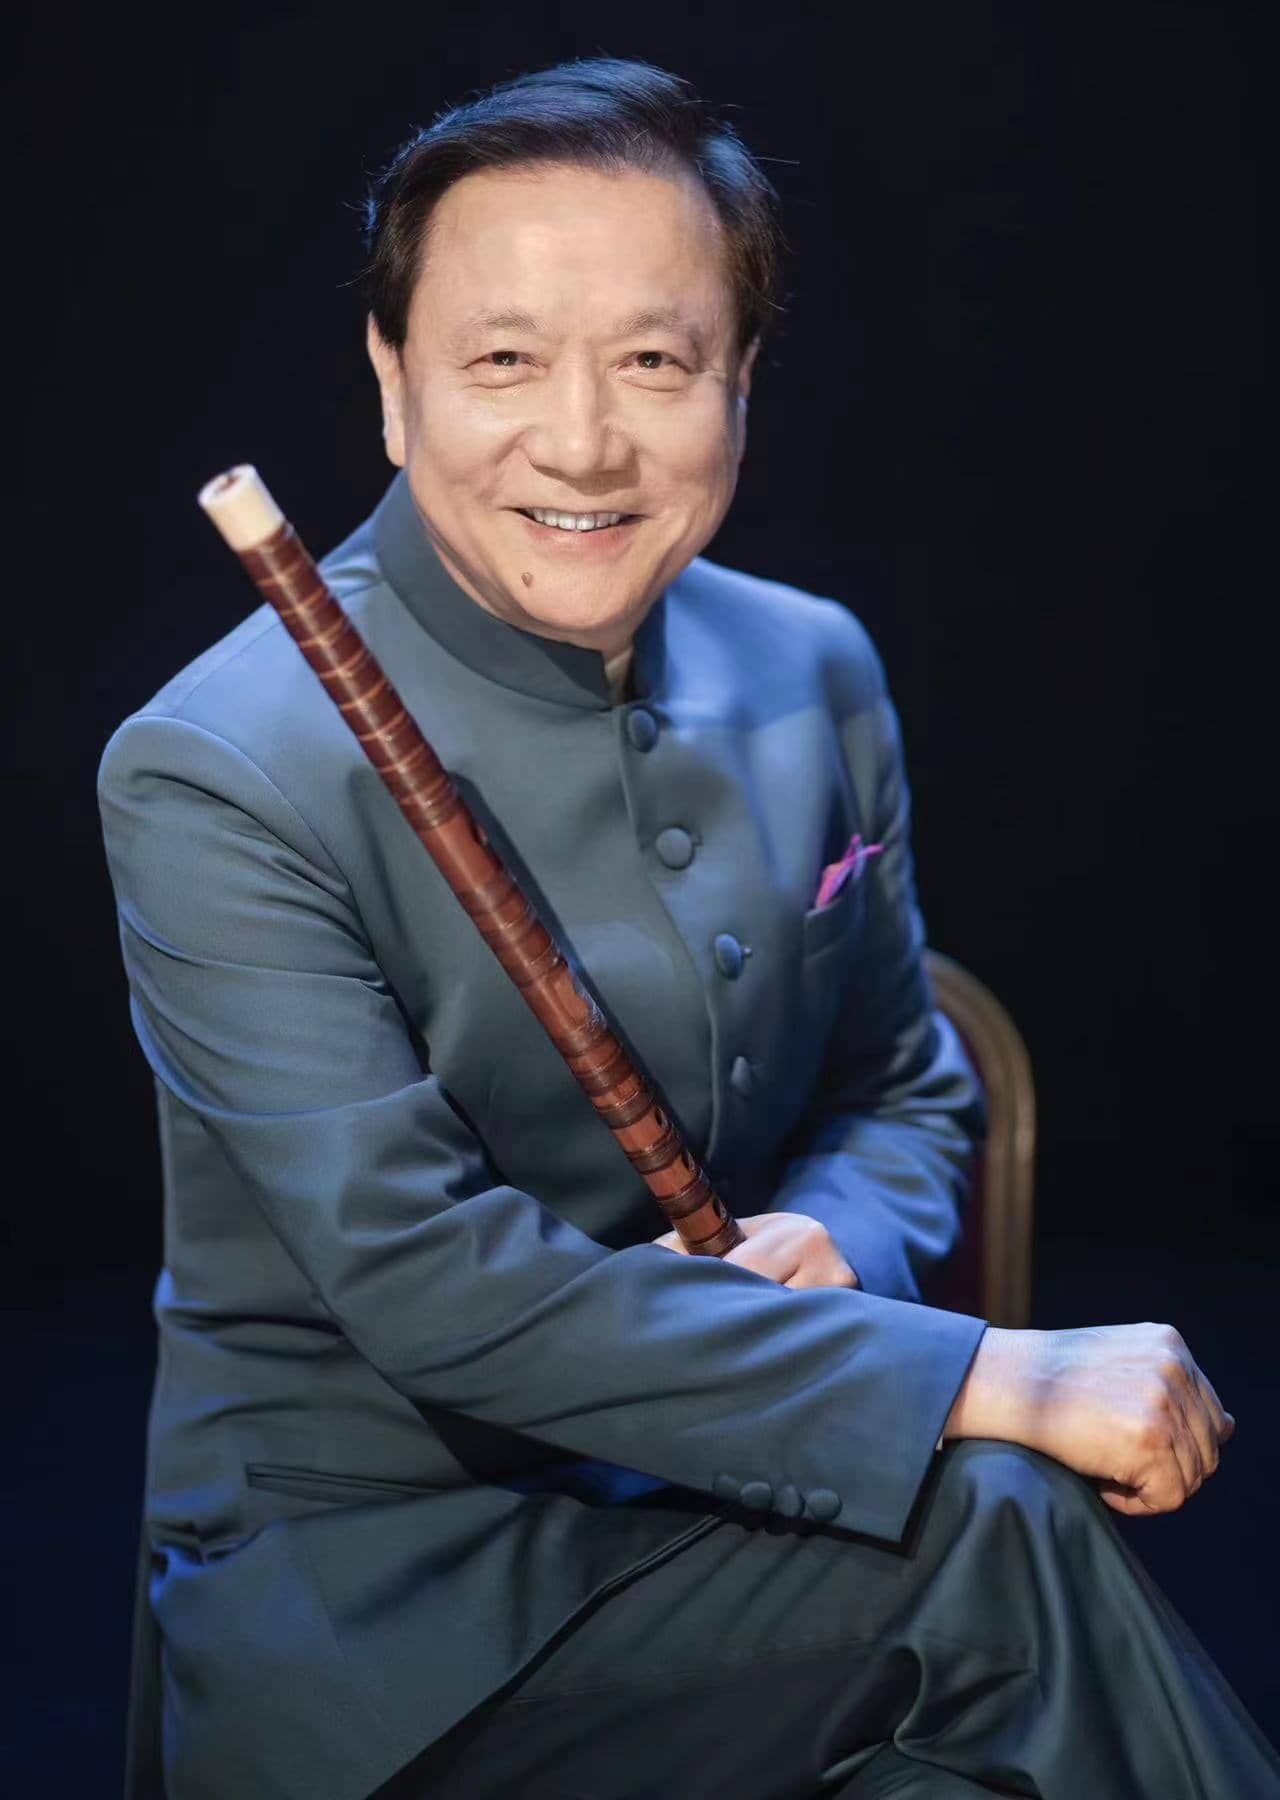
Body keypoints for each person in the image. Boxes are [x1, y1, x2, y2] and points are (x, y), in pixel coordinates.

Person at [97, 56, 1279, 1800]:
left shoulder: (813, 665)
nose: (583, 441)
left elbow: (907, 1087)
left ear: (740, 381)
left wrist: (838, 1245)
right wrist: (978, 1373)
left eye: (655, 362)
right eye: (504, 361)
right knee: (1004, 1528)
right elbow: (434, 1290)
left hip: (769, 1517)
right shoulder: (215, 763)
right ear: (394, 384)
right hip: (392, 1605)